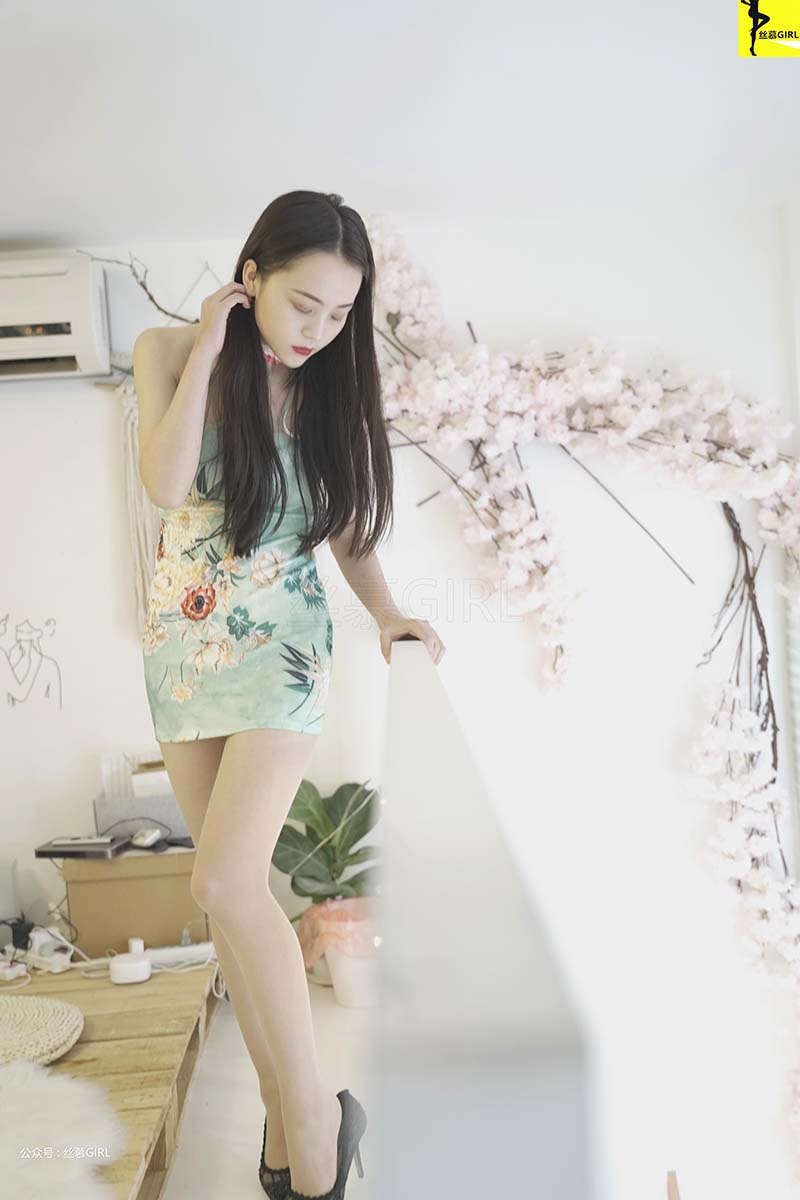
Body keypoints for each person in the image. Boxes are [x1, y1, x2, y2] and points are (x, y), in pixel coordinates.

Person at [133, 189, 446, 1200]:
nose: (319, 330)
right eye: (304, 303)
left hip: (284, 648)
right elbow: (165, 485)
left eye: (340, 313)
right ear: (251, 277)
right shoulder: (166, 353)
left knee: (223, 883)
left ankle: (311, 1121)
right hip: (182, 645)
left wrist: (387, 613)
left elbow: (346, 529)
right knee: (234, 902)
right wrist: (210, 347)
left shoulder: (327, 395)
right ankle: (289, 1117)